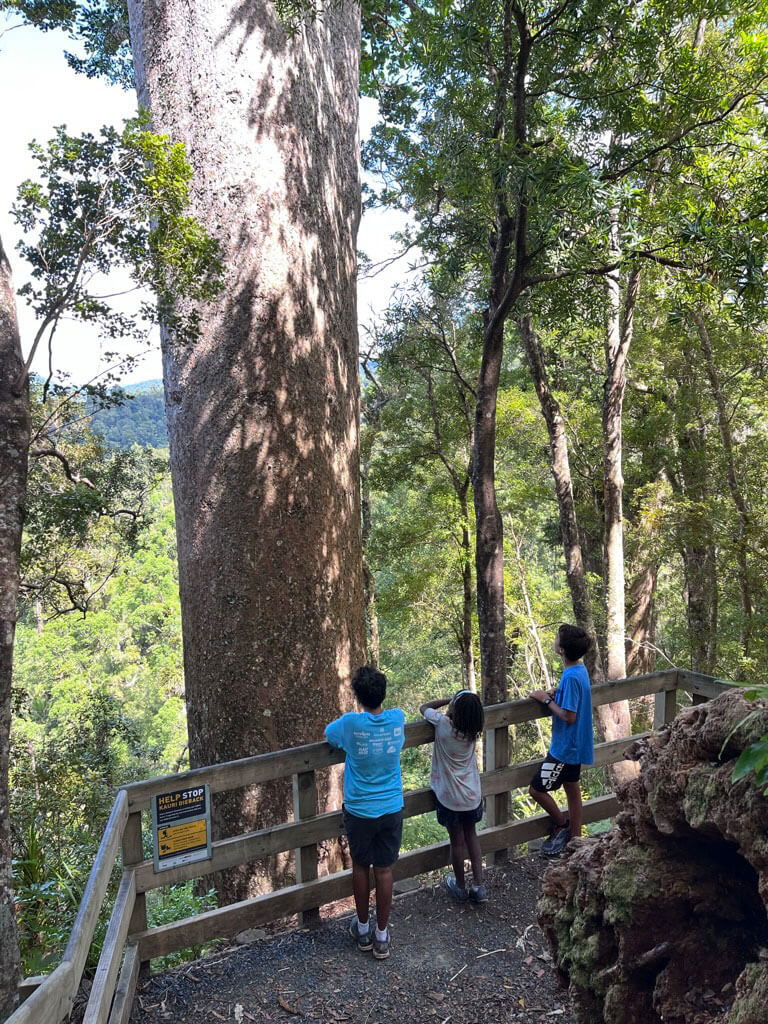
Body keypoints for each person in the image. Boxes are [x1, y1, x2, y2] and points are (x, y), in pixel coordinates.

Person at [325, 665, 405, 959]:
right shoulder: (397, 719)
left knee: (360, 866)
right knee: (384, 870)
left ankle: (362, 930)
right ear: (383, 693)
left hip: (359, 808)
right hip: (391, 807)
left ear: (357, 697)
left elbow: (329, 735)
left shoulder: (350, 724)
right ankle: (381, 936)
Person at [529, 623, 594, 857]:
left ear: (562, 650)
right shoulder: (579, 670)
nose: (554, 641)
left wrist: (544, 699)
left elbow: (569, 716)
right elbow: (573, 695)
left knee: (536, 790)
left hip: (565, 748)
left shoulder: (571, 677)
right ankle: (575, 840)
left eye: (557, 639)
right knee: (571, 788)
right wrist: (558, 692)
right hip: (576, 744)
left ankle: (562, 826)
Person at [419, 689, 487, 903]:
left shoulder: (442, 724)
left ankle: (459, 886)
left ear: (455, 709)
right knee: (472, 836)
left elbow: (424, 708)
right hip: (472, 796)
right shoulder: (473, 730)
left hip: (450, 799)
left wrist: (449, 699)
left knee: (457, 842)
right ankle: (478, 886)